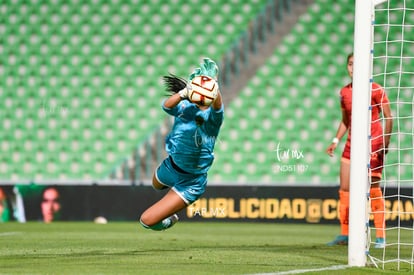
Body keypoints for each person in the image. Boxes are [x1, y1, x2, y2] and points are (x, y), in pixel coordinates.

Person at [139, 58, 224, 231]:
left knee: (146, 221)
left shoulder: (212, 121)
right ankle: (168, 200)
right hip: (171, 166)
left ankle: (170, 220)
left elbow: (218, 107)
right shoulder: (185, 108)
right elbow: (166, 106)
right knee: (156, 185)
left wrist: (214, 86)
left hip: (191, 181)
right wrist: (184, 93)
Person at [326, 53, 393, 248]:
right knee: (344, 189)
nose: (353, 68)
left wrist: (385, 143)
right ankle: (345, 234)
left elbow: (389, 117)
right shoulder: (344, 92)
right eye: (350, 64)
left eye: (356, 64)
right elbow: (346, 120)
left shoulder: (376, 90)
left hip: (373, 146)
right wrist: (335, 140)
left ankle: (380, 236)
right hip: (350, 147)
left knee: (373, 189)